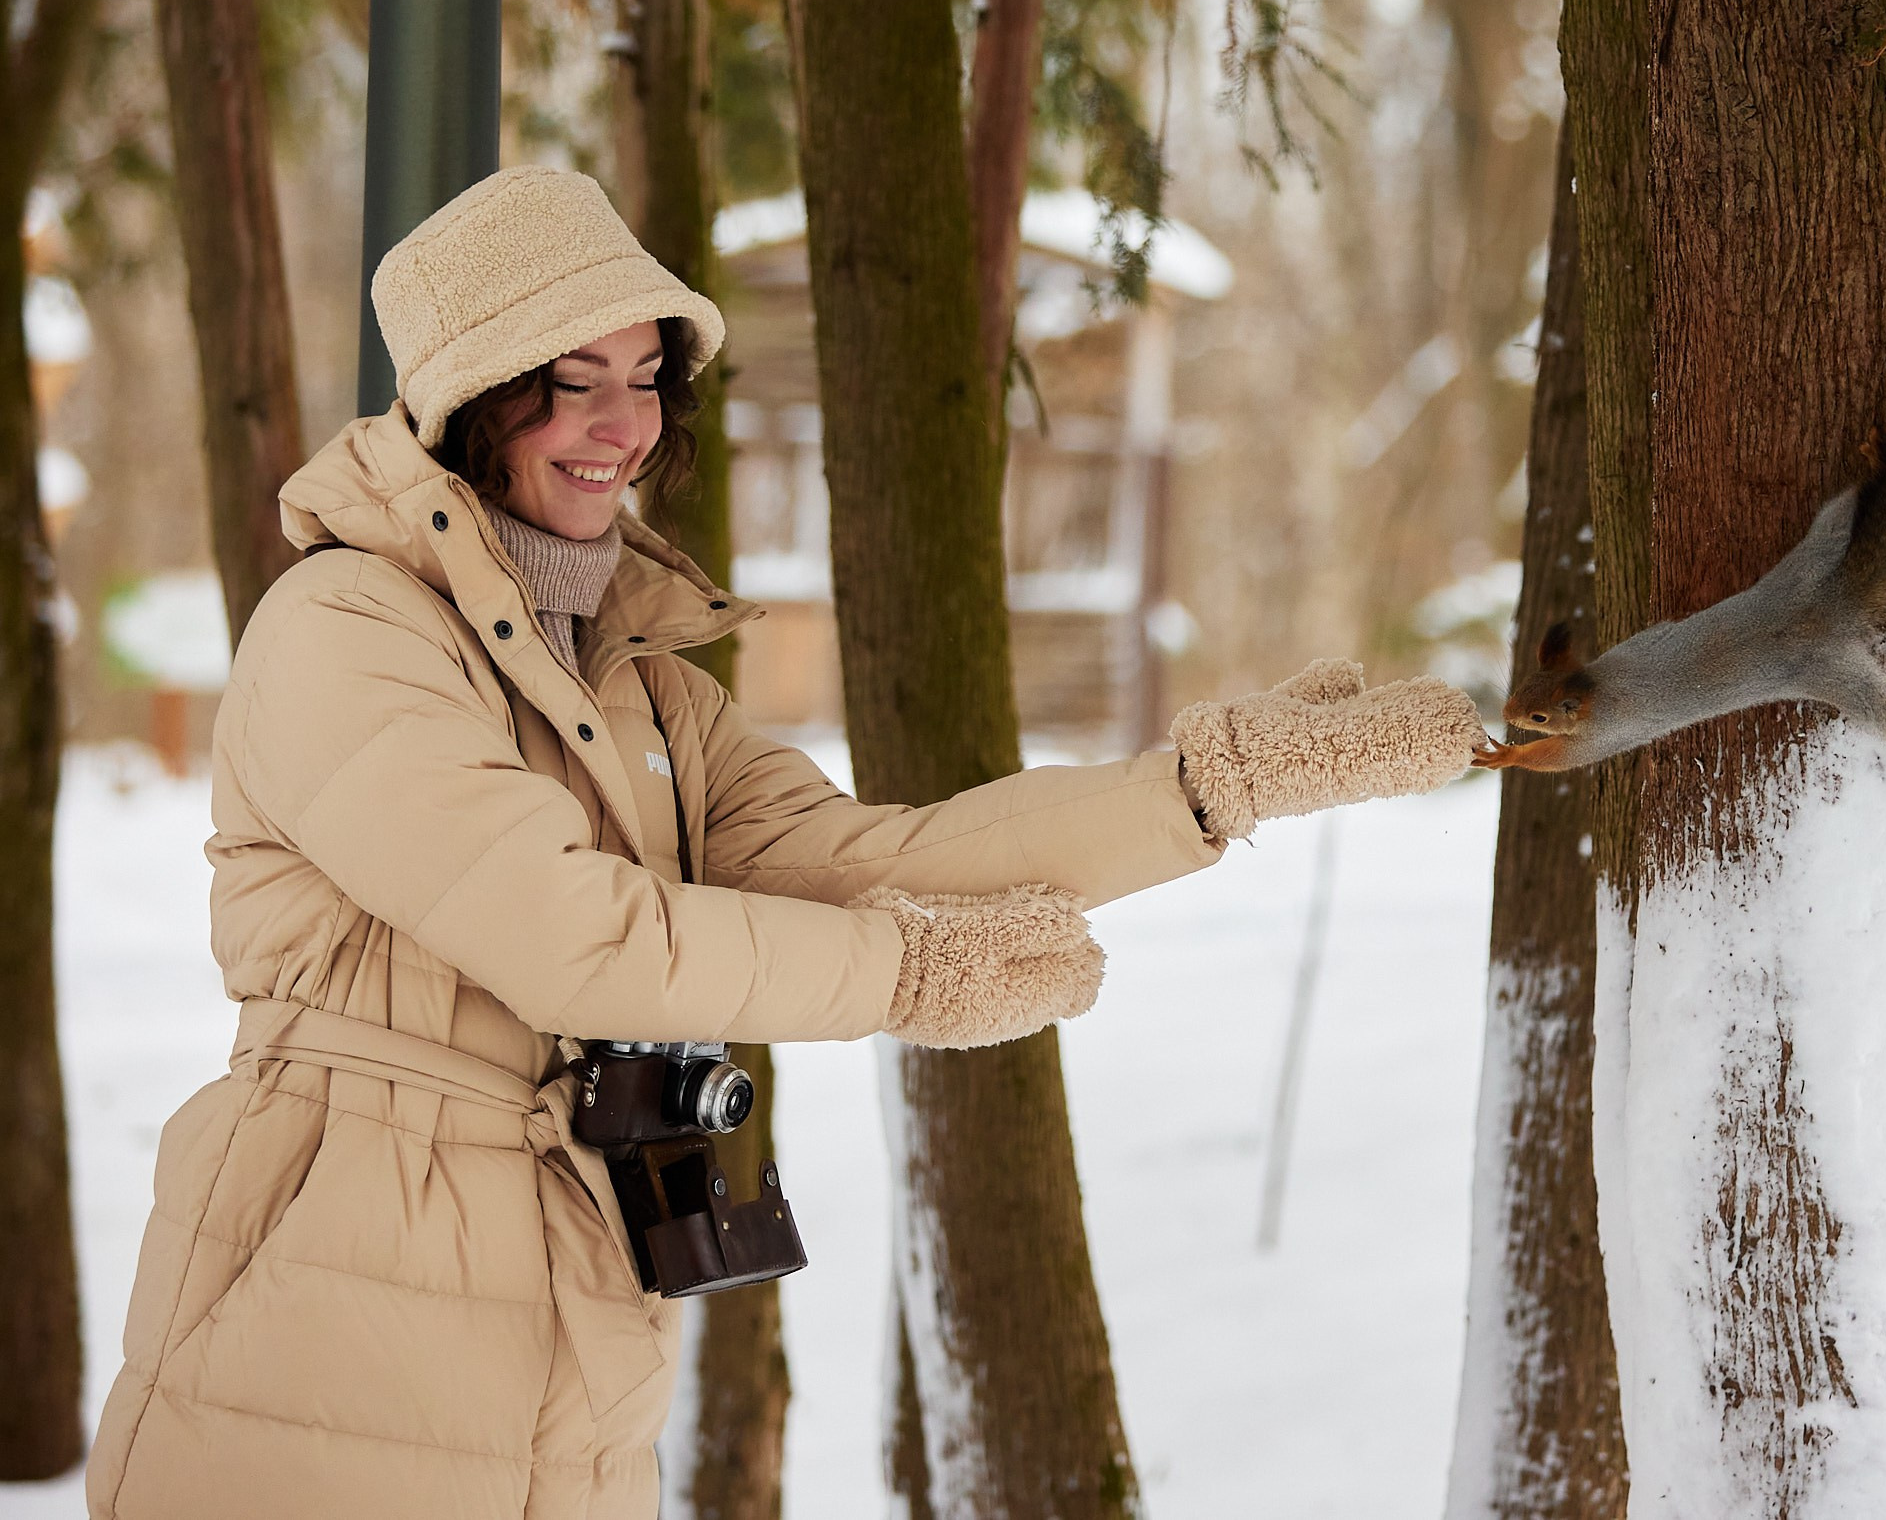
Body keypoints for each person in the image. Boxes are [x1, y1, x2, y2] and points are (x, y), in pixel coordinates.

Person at [85, 165, 1485, 1520]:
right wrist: (907, 979)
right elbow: (577, 941)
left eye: (644, 380)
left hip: (570, 1301)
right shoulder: (347, 632)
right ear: (465, 396)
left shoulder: (636, 687)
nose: (618, 425)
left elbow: (873, 861)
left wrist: (1204, 787)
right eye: (569, 380)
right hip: (331, 1294)